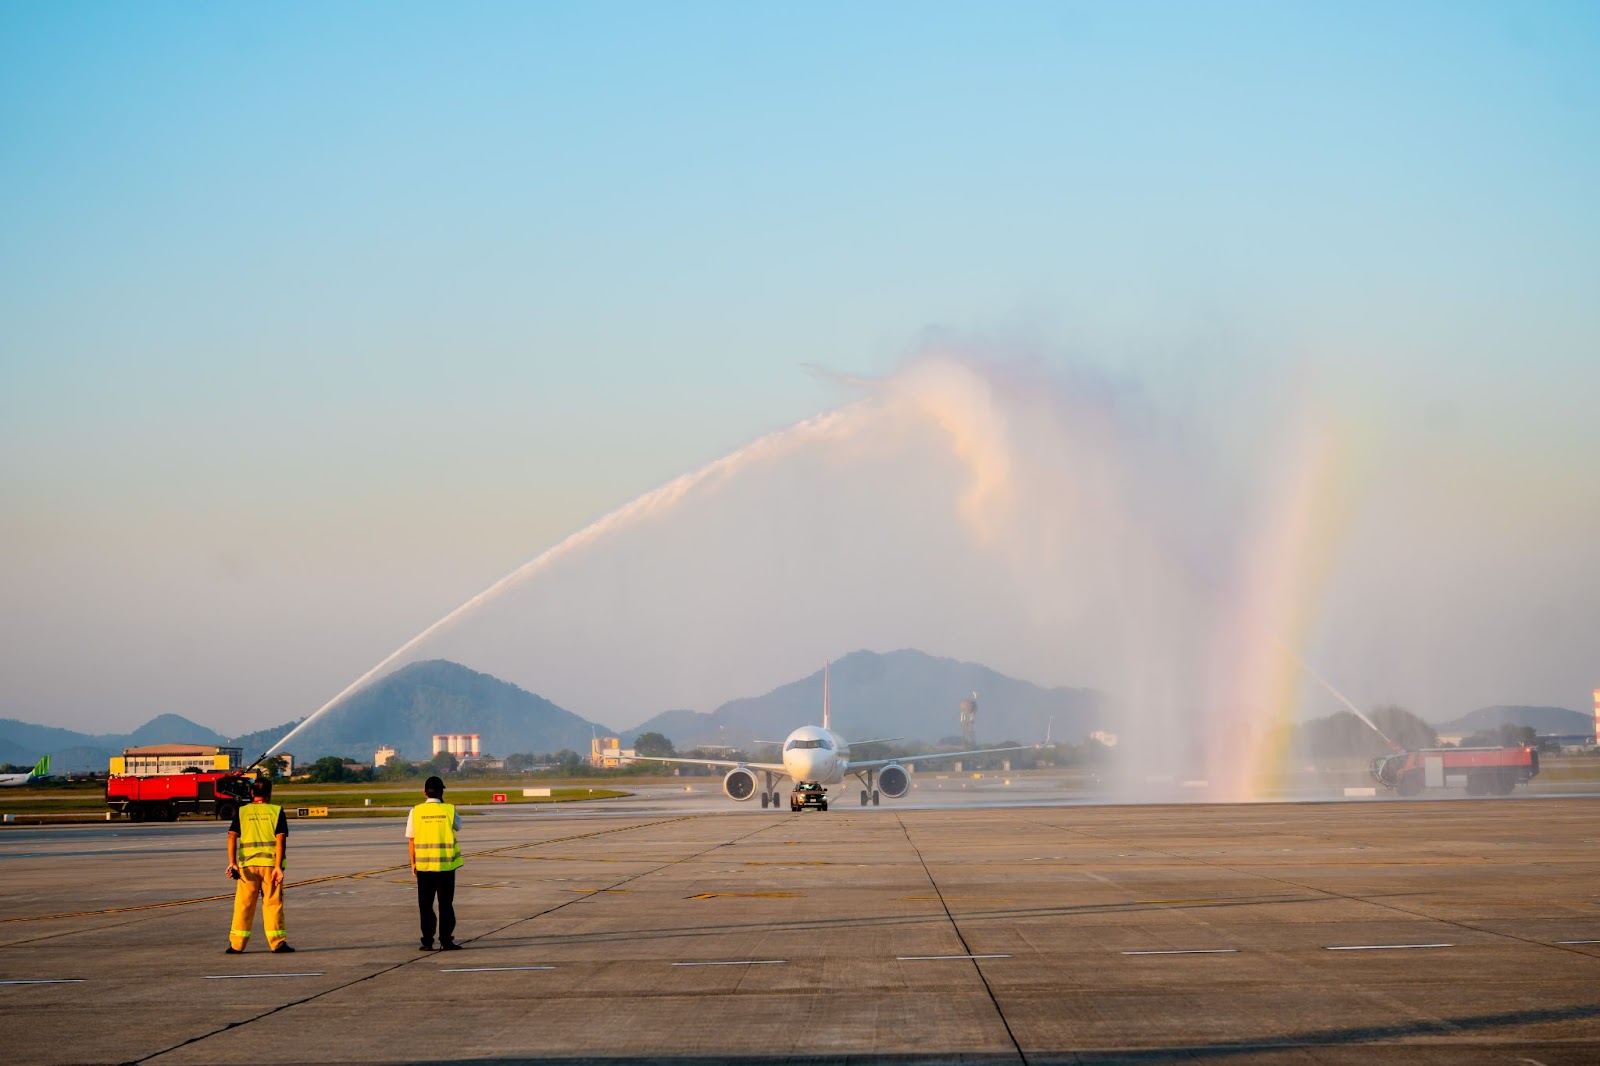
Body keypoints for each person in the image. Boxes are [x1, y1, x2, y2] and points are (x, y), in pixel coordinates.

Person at [225, 776, 292, 954]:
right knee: (272, 904)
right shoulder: (276, 811)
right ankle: (277, 943)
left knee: (244, 905)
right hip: (270, 866)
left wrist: (232, 863)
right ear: (269, 793)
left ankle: (237, 945)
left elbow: (231, 836)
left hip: (247, 867)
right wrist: (278, 867)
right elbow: (280, 839)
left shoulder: (242, 811)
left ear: (252, 793)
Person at [407, 775, 462, 951]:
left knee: (425, 905)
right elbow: (458, 826)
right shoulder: (449, 809)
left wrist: (413, 864)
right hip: (446, 866)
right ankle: (446, 940)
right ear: (441, 792)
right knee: (445, 905)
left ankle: (427, 941)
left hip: (424, 867)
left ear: (424, 792)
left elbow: (411, 840)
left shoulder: (415, 811)